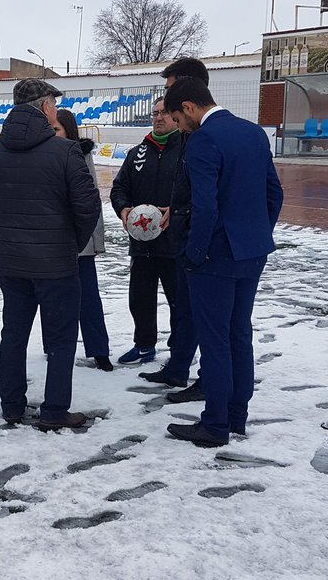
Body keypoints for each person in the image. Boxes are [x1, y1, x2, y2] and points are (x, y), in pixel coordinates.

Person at [162, 76, 282, 448]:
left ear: (188, 108)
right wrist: (256, 234)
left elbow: (205, 206)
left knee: (215, 341)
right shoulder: (253, 133)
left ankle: (214, 424)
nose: (180, 128)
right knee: (238, 335)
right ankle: (236, 417)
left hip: (215, 255)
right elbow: (273, 194)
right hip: (252, 250)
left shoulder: (204, 141)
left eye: (179, 121)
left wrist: (195, 252)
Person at [0, 78, 101, 430]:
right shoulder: (65, 152)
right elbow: (87, 207)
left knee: (13, 334)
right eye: (53, 104)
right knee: (60, 338)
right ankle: (55, 410)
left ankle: (12, 404)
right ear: (46, 107)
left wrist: (8, 236)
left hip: (12, 262)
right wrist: (70, 243)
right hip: (57, 263)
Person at [109, 95, 185, 373]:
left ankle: (181, 349)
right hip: (141, 242)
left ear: (176, 116)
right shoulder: (137, 152)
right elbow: (119, 188)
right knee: (140, 297)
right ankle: (144, 345)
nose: (158, 117)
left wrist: (174, 212)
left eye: (164, 112)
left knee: (179, 300)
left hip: (175, 243)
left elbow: (195, 193)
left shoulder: (187, 150)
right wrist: (124, 209)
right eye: (154, 113)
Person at [158, 58, 213, 404]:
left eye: (170, 89)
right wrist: (174, 208)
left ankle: (209, 379)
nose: (166, 101)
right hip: (181, 228)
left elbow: (208, 197)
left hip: (200, 240)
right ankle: (178, 367)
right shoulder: (187, 131)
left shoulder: (206, 133)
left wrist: (197, 241)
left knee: (206, 313)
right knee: (184, 308)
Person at [54, 109, 111, 371]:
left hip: (80, 240)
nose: (53, 134)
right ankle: (52, 346)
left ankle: (99, 350)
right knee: (54, 299)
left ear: (69, 131)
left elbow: (91, 199)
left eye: (57, 129)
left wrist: (94, 241)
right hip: (51, 240)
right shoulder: (42, 154)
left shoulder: (80, 154)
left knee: (88, 298)